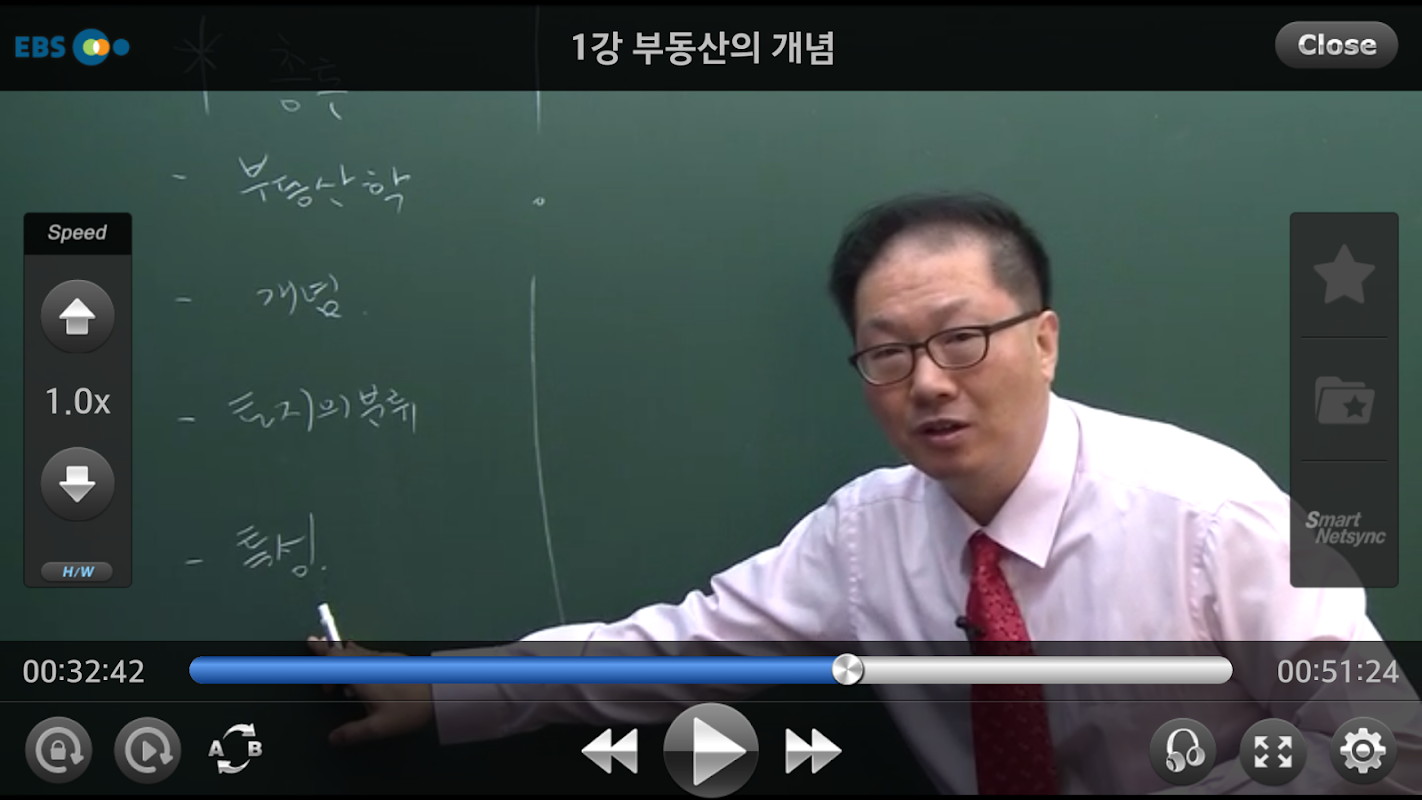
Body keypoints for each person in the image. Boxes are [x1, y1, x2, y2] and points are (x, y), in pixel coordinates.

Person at [309, 192, 1420, 793]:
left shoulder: (1213, 510)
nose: (927, 381)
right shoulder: (865, 532)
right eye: (887, 352)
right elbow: (674, 648)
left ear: (1044, 340)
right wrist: (442, 690)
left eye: (963, 339)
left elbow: (1390, 745)